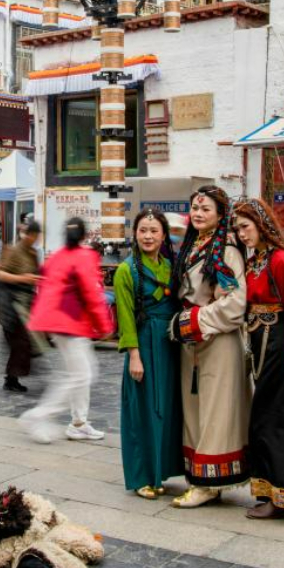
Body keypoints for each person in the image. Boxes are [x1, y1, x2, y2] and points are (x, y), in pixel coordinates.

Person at [233, 198, 284, 519]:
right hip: (261, 348)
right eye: (237, 229)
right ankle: (275, 493)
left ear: (260, 224)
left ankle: (282, 495)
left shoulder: (281, 261)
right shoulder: (256, 261)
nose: (241, 234)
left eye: (245, 226)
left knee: (275, 422)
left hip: (280, 349)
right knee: (266, 420)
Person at [169, 185, 250, 508]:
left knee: (216, 410)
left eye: (206, 209)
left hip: (217, 340)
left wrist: (198, 320)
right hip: (192, 340)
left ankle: (209, 482)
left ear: (220, 215)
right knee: (196, 408)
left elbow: (237, 301)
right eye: (195, 208)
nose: (199, 214)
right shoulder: (194, 246)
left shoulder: (226, 250)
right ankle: (198, 477)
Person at [20, 218, 114, 444]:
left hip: (56, 322)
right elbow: (92, 294)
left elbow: (44, 285)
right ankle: (37, 415)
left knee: (77, 374)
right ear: (84, 236)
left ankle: (79, 423)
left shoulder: (57, 256)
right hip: (71, 322)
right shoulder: (84, 256)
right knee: (82, 375)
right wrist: (104, 326)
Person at [115, 209, 183, 499]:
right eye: (143, 230)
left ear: (164, 235)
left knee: (167, 410)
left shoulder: (172, 266)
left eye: (154, 231)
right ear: (135, 234)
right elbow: (126, 317)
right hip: (143, 343)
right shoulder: (126, 270)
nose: (148, 236)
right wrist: (134, 355)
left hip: (170, 345)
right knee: (142, 412)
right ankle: (142, 476)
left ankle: (161, 471)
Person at [0, 221, 42, 392]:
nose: (35, 238)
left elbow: (35, 274)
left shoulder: (33, 253)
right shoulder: (14, 251)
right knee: (19, 343)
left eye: (37, 235)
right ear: (27, 234)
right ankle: (11, 379)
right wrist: (23, 278)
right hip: (11, 304)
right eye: (33, 235)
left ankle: (13, 376)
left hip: (26, 303)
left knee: (26, 342)